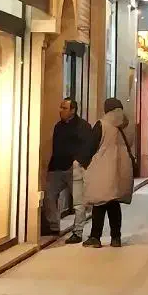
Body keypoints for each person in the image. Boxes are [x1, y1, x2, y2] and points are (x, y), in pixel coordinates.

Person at [82, 97, 135, 247]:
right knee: (113, 205)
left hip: (102, 169)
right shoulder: (125, 126)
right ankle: (116, 238)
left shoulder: (102, 124)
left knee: (99, 203)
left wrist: (84, 163)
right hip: (120, 170)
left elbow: (91, 147)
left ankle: (95, 237)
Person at [43, 97, 92, 240]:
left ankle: (78, 231)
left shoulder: (83, 126)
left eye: (64, 108)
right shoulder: (58, 126)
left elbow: (88, 148)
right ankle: (53, 226)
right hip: (57, 168)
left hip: (74, 169)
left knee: (78, 202)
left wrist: (78, 163)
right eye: (61, 107)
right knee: (49, 196)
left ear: (73, 110)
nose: (60, 111)